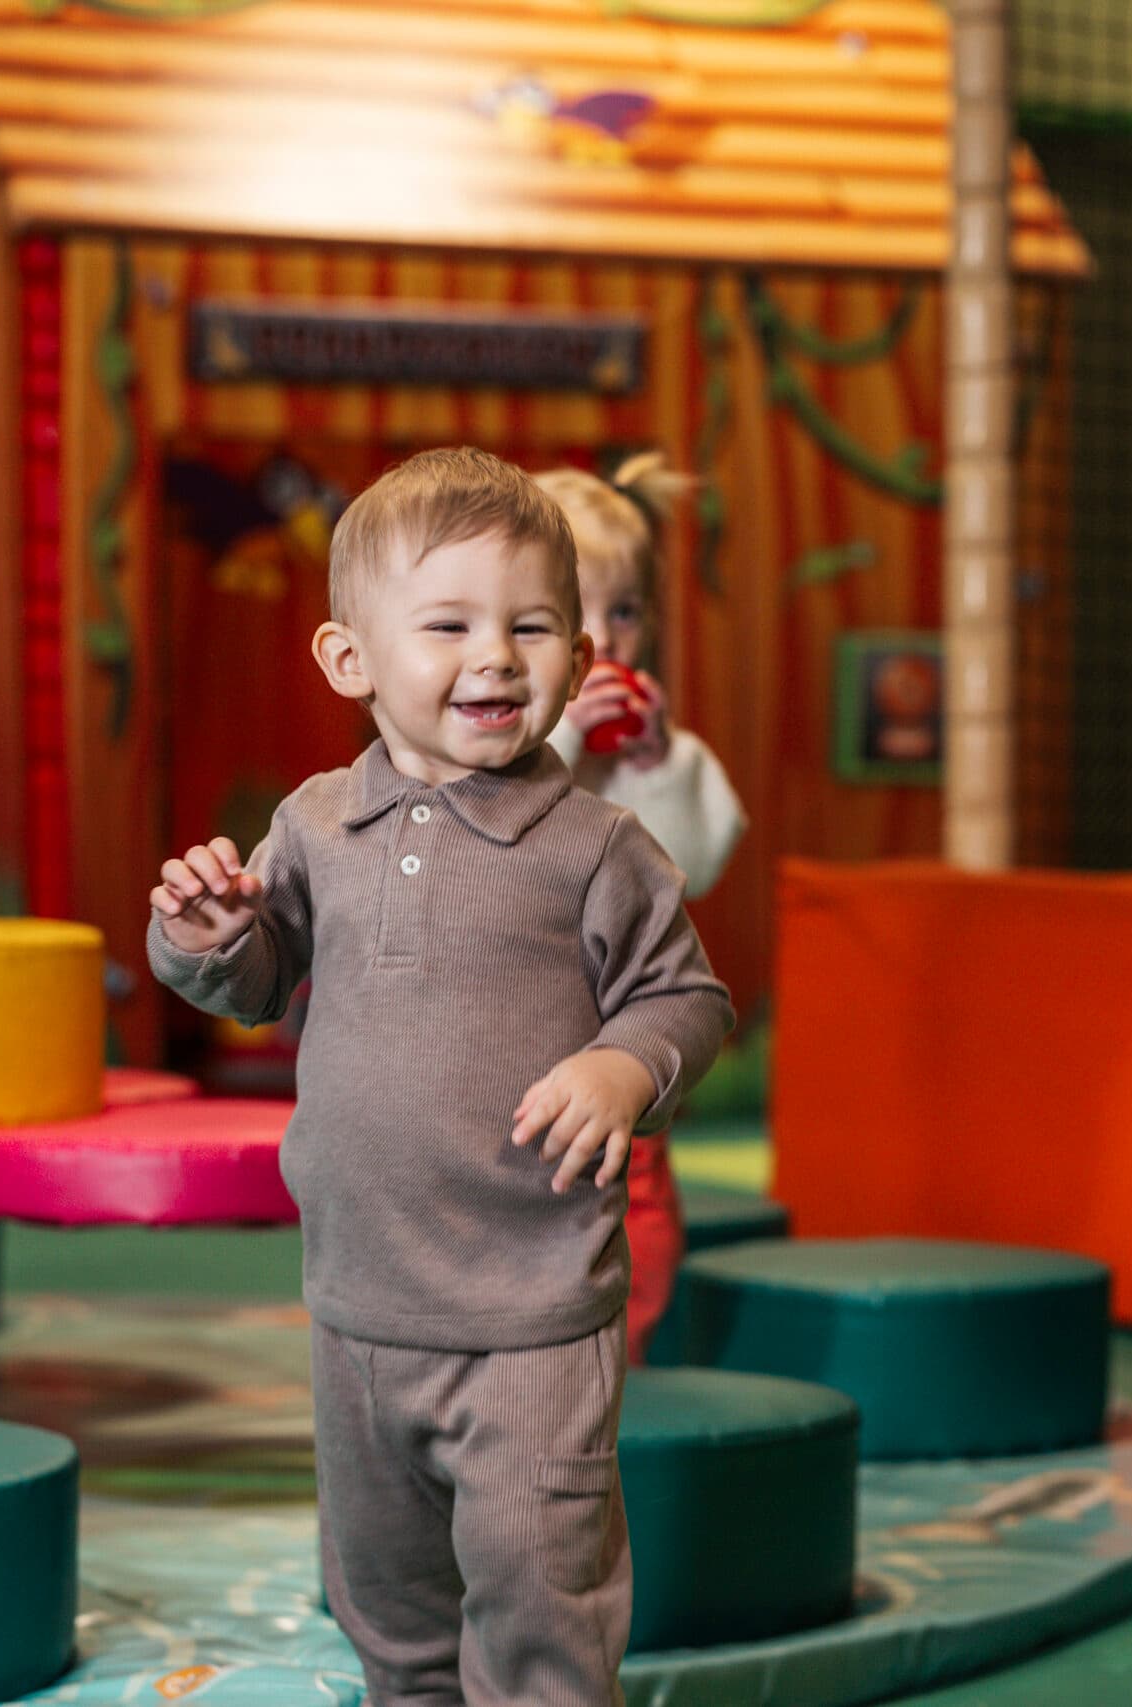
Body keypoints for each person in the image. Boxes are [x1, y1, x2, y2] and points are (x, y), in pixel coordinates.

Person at [147, 448, 732, 1704]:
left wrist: (622, 1066)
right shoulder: (314, 824)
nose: (498, 658)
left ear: (578, 656)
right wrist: (209, 936)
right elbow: (254, 984)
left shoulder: (597, 848)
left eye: (532, 628)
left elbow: (688, 999)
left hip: (529, 1316)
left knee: (538, 1605)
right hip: (357, 1307)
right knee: (389, 1607)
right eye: (451, 625)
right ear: (349, 659)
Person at [537, 456, 748, 1361]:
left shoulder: (659, 752)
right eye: (573, 612)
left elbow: (693, 864)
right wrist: (564, 733)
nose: (606, 639)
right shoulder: (502, 743)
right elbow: (495, 816)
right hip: (516, 1037)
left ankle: (625, 1351)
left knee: (640, 1202)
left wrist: (656, 765)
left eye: (624, 612)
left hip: (620, 1039)